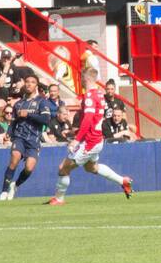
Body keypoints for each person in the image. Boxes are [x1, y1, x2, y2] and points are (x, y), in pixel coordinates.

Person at [46, 67, 133, 205]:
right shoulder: (100, 95)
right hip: (97, 139)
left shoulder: (90, 96)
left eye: (81, 77)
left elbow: (88, 119)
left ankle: (59, 198)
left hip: (90, 141)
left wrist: (76, 140)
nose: (80, 80)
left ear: (85, 78)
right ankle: (123, 181)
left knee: (63, 167)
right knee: (91, 168)